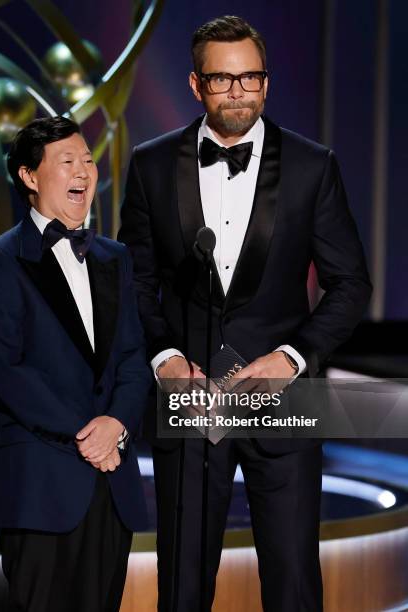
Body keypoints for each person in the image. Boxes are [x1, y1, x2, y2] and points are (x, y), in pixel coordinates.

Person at [118, 15, 372, 612]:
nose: (239, 91)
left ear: (267, 82)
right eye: (223, 80)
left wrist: (291, 358)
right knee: (182, 586)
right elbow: (135, 281)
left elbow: (350, 285)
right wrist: (165, 356)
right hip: (191, 396)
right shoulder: (152, 165)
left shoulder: (313, 165)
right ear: (195, 84)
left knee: (292, 584)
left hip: (286, 399)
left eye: (251, 77)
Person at [0, 116, 151, 612]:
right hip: (42, 485)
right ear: (29, 177)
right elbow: (9, 370)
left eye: (88, 161)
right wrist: (91, 435)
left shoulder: (115, 257)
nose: (83, 172)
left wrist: (116, 424)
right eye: (67, 161)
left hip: (112, 484)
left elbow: (134, 356)